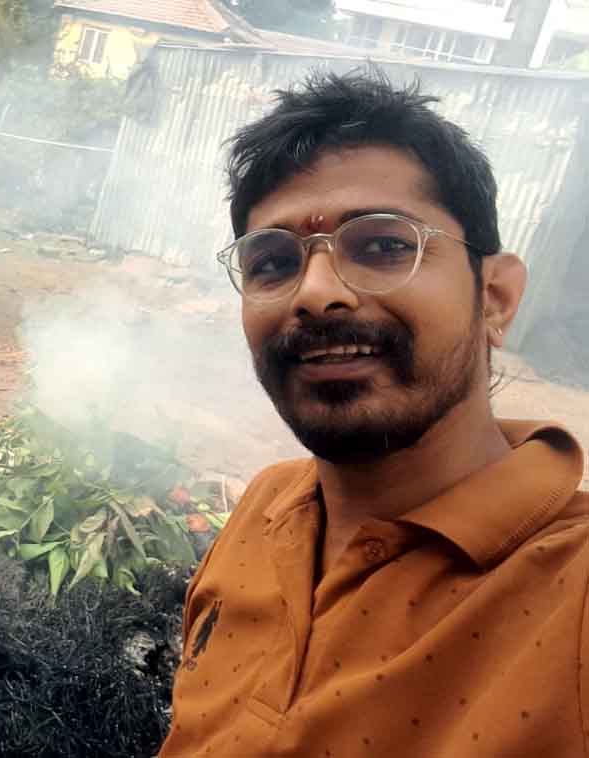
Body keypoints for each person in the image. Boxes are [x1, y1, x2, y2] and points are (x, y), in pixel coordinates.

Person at [160, 70, 588, 757]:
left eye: (384, 246)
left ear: (496, 298)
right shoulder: (267, 507)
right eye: (272, 262)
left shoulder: (572, 595)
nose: (314, 292)